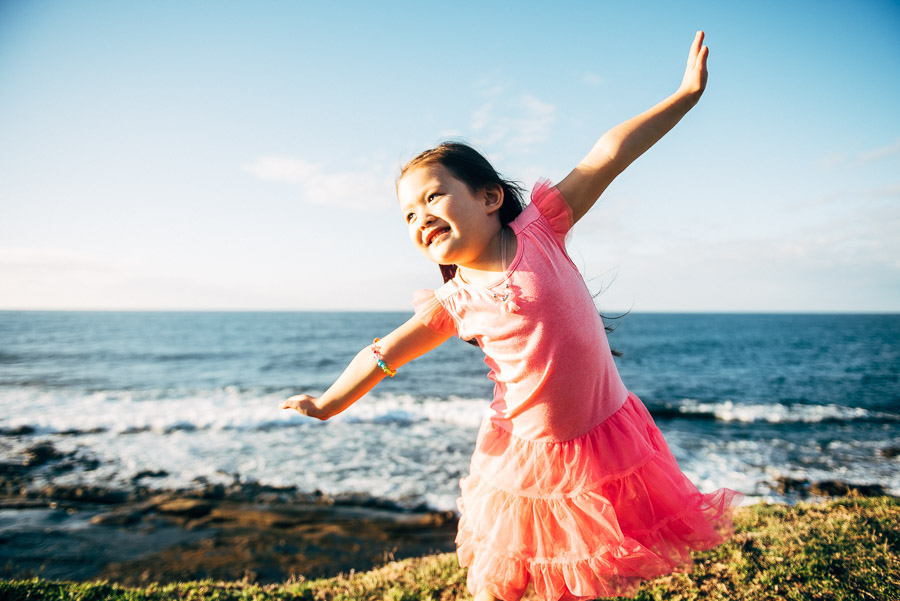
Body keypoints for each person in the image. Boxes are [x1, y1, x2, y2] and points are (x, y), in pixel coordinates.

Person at [281, 31, 741, 601]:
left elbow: (609, 153)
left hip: (606, 437)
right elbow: (381, 355)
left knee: (585, 575)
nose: (419, 216)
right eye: (406, 214)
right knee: (504, 582)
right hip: (526, 459)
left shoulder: (543, 228)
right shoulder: (454, 303)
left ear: (490, 198)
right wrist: (327, 403)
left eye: (432, 197)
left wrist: (684, 95)